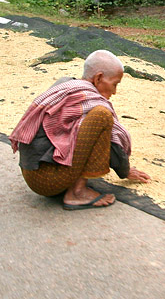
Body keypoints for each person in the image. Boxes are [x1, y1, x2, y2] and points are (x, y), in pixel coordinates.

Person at [9, 50, 150, 210]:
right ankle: (77, 192)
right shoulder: (90, 100)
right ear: (98, 78)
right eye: (114, 84)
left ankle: (73, 186)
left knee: (95, 120)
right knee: (102, 116)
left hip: (32, 172)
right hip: (48, 180)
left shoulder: (66, 85)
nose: (115, 91)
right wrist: (125, 170)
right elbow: (112, 141)